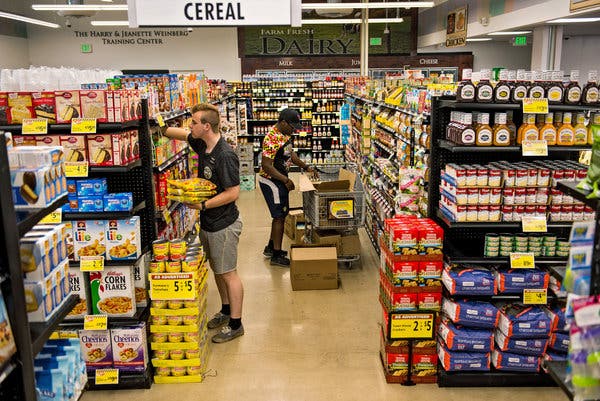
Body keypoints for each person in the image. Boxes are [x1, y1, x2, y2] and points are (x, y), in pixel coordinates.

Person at [162, 103, 244, 343]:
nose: (190, 126)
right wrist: (156, 126)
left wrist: (204, 206)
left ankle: (236, 324)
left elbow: (233, 192)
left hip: (224, 224)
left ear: (207, 126)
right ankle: (226, 310)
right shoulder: (202, 143)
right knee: (218, 271)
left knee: (229, 273)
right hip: (208, 222)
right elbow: (179, 134)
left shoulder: (225, 155)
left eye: (195, 122)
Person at [258, 108, 317, 267]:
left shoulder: (285, 135)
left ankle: (271, 247)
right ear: (283, 122)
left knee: (280, 215)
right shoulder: (272, 138)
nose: (294, 130)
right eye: (292, 126)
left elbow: (292, 155)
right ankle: (276, 255)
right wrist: (285, 180)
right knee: (279, 217)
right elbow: (266, 165)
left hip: (279, 179)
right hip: (272, 181)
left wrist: (306, 167)